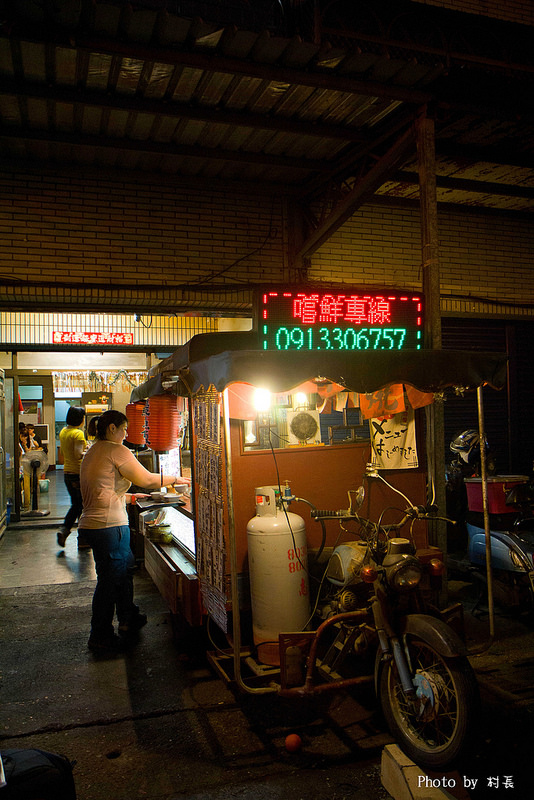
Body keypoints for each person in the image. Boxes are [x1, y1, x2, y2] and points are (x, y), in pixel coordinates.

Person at [78, 409, 190, 652]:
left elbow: (102, 488)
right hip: (108, 526)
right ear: (112, 429)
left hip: (95, 524)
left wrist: (129, 497)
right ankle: (100, 634)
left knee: (125, 568)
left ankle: (129, 616)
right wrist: (176, 479)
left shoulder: (94, 451)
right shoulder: (115, 449)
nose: (127, 433)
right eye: (125, 428)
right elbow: (149, 480)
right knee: (110, 581)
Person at [57, 406, 87, 548]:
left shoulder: (64, 431)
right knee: (80, 506)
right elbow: (77, 454)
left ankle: (74, 535)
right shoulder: (78, 434)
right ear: (80, 419)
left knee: (77, 504)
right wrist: (88, 451)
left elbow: (63, 452)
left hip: (67, 472)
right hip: (78, 473)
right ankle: (76, 535)